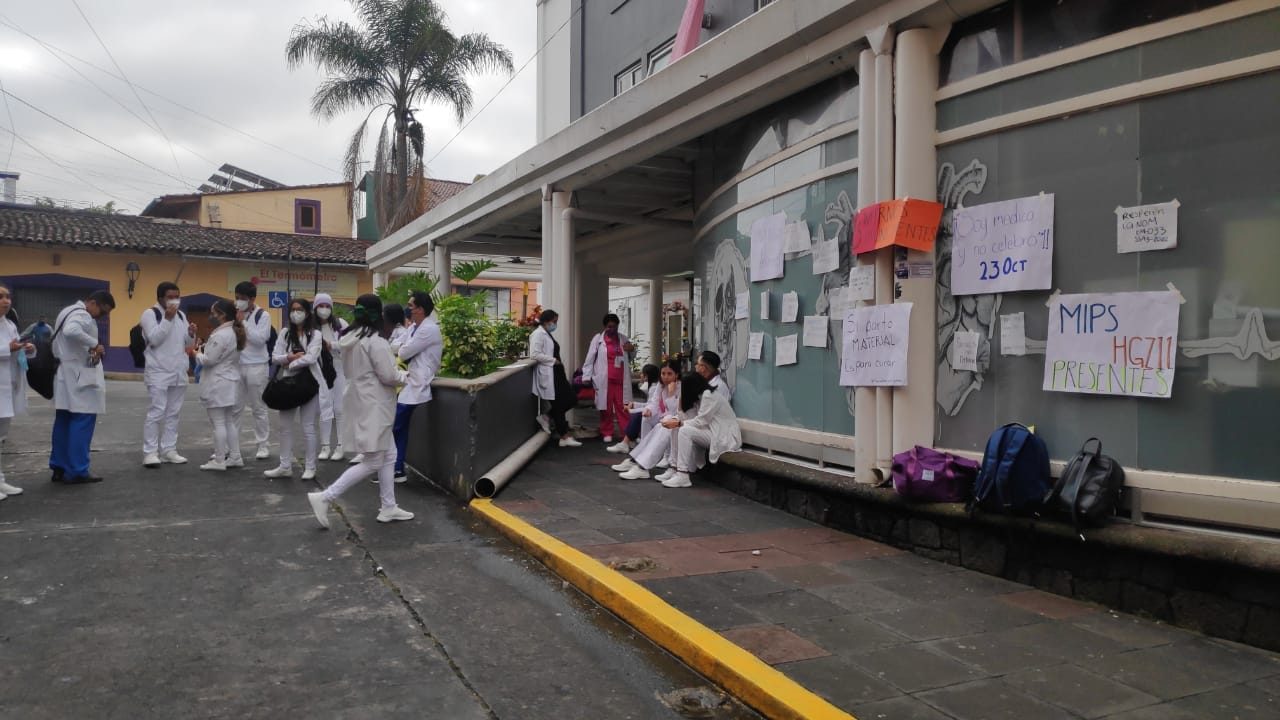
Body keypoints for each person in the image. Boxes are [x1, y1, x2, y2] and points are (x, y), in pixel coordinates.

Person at [307, 294, 415, 528]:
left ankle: (388, 507)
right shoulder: (375, 341)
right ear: (379, 315)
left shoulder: (350, 337)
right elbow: (388, 375)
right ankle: (325, 496)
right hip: (376, 403)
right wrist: (405, 376)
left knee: (389, 454)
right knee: (374, 460)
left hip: (360, 398)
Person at [50, 290, 115, 484]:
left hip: (65, 372)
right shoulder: (83, 314)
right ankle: (77, 469)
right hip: (80, 375)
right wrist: (95, 344)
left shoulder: (67, 311)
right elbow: (71, 331)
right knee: (83, 419)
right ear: (92, 303)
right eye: (103, 311)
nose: (103, 316)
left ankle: (59, 467)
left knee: (63, 420)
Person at [265, 298, 323, 480]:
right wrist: (290, 357)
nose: (295, 313)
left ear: (307, 313)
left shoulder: (315, 334)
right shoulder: (285, 333)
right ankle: (285, 466)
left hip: (309, 383)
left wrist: (291, 363)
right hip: (287, 384)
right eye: (293, 309)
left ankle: (310, 467)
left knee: (308, 427)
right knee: (284, 427)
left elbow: (311, 357)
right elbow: (275, 357)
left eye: (300, 309)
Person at [140, 281, 197, 468]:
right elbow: (154, 339)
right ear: (160, 298)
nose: (174, 301)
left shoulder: (181, 315)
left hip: (179, 370)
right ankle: (150, 452)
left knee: (174, 413)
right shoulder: (151, 314)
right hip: (158, 371)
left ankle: (169, 449)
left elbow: (188, 344)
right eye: (170, 297)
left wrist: (191, 334)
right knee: (156, 411)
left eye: (177, 297)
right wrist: (167, 319)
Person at [660, 372, 742, 488]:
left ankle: (682, 475)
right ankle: (674, 468)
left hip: (723, 436)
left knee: (684, 430)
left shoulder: (709, 395)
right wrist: (680, 405)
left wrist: (678, 422)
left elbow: (701, 421)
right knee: (678, 428)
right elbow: (687, 418)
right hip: (713, 432)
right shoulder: (701, 396)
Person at [393, 291, 442, 481]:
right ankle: (397, 469)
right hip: (409, 381)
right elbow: (395, 345)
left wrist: (402, 348)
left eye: (411, 306)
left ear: (420, 309)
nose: (408, 309)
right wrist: (402, 347)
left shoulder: (429, 329)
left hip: (419, 382)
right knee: (400, 428)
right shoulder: (414, 327)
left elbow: (403, 353)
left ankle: (391, 468)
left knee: (394, 426)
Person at [191, 299, 245, 471]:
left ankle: (219, 460)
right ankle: (235, 456)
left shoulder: (221, 335)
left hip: (218, 381)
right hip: (229, 380)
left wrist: (196, 354)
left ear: (222, 315)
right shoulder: (233, 332)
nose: (211, 316)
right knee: (228, 421)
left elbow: (209, 360)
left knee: (218, 423)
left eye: (213, 313)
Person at [612, 362, 684, 481]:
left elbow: (675, 412)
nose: (665, 377)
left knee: (663, 426)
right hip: (666, 418)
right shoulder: (661, 385)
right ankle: (637, 460)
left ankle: (642, 465)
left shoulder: (680, 387)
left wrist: (671, 394)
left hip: (678, 421)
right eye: (663, 373)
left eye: (669, 374)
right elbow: (654, 403)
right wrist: (649, 410)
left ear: (676, 374)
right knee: (646, 418)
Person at [0, 283, 36, 498]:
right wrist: (8, 349)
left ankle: (0, 480)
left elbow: (16, 351)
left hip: (7, 386)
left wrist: (27, 349)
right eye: (1, 297)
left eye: (8, 296)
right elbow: (7, 349)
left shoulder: (10, 325)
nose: (6, 301)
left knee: (1, 437)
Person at [232, 281, 275, 460]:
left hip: (257, 366)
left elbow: (261, 339)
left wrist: (243, 323)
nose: (239, 302)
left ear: (252, 299)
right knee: (234, 408)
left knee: (258, 407)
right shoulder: (233, 314)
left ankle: (262, 445)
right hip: (237, 365)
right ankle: (232, 446)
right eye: (236, 298)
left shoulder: (262, 315)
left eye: (242, 298)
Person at [529, 309, 581, 448]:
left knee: (571, 399)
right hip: (550, 373)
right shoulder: (538, 334)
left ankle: (546, 417)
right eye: (554, 321)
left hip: (557, 373)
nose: (555, 325)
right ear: (546, 321)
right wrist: (553, 360)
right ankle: (564, 437)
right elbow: (534, 354)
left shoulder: (546, 333)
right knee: (559, 404)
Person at [581, 313, 634, 444]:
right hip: (605, 379)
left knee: (624, 407)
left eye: (615, 326)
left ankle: (627, 433)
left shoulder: (623, 338)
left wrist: (632, 349)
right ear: (605, 326)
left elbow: (631, 357)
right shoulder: (598, 340)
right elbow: (590, 359)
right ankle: (607, 432)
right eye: (610, 326)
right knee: (606, 407)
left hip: (621, 379)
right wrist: (586, 376)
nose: (612, 329)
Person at [313, 293, 349, 462]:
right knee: (324, 408)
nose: (324, 309)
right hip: (320, 370)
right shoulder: (312, 327)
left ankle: (341, 445)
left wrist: (331, 345)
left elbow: (348, 344)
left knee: (340, 408)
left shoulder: (340, 324)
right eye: (321, 306)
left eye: (327, 306)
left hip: (339, 368)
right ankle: (325, 446)